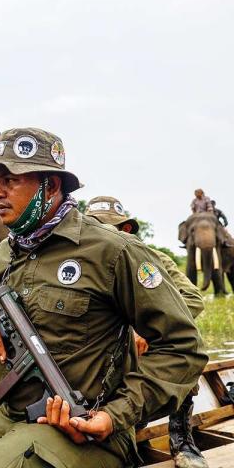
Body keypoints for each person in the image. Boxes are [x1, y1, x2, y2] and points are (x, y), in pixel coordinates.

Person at [0, 128, 206, 468]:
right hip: (12, 415)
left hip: (88, 427)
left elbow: (183, 347)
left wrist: (114, 415)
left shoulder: (112, 251)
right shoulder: (6, 251)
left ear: (51, 186)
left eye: (10, 180)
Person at [85, 196, 208, 468]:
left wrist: (141, 329)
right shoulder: (79, 266)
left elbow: (192, 298)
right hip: (102, 358)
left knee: (182, 344)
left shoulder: (151, 259)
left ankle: (181, 439)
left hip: (140, 351)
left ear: (125, 230)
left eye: (106, 227)